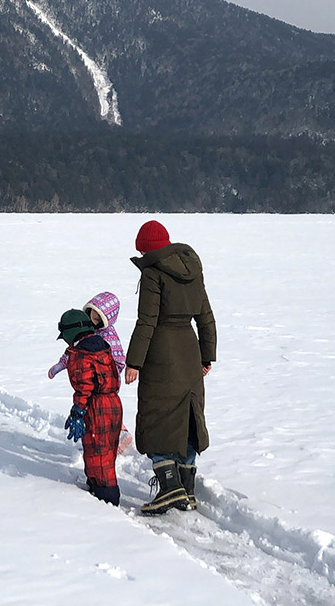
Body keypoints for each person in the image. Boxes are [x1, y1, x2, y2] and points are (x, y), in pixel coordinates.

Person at [124, 220, 216, 515]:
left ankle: (168, 488)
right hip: (189, 352)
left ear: (147, 249)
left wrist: (134, 362)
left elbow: (147, 321)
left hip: (161, 352)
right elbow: (206, 318)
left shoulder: (153, 273)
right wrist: (206, 356)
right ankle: (187, 490)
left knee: (157, 415)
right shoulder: (192, 270)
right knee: (189, 416)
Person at [49, 292, 133, 453]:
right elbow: (74, 350)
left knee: (103, 410)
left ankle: (119, 435)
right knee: (94, 409)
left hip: (106, 382)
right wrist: (61, 364)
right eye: (91, 317)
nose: (93, 322)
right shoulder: (86, 331)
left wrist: (107, 372)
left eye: (97, 320)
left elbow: (119, 359)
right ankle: (97, 436)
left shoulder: (109, 336)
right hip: (91, 379)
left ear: (106, 320)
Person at [56, 307, 123, 506]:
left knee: (96, 451)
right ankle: (99, 486)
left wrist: (78, 411)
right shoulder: (103, 344)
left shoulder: (80, 354)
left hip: (96, 407)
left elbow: (84, 387)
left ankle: (106, 497)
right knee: (108, 449)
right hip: (114, 403)